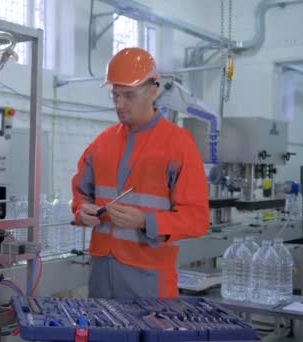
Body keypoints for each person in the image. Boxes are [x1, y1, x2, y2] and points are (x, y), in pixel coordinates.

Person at [71, 47, 209, 299]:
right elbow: (80, 193)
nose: (119, 104)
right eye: (115, 95)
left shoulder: (179, 144)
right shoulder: (102, 142)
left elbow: (197, 219)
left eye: (128, 95)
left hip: (150, 278)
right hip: (101, 273)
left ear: (153, 90)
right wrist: (82, 210)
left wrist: (146, 221)